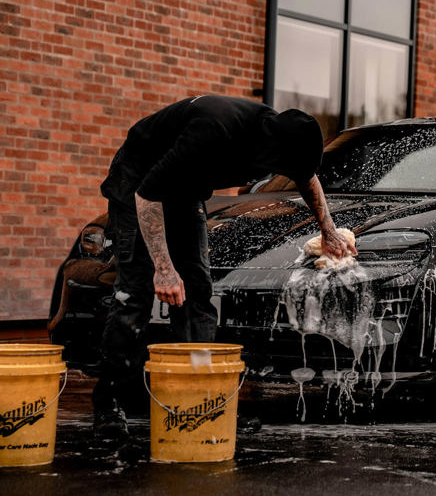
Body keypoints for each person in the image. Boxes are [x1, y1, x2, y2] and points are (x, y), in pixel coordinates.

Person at [94, 95, 356, 439]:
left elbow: (307, 179)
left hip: (184, 190)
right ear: (271, 149)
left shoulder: (285, 136)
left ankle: (203, 399)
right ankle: (110, 401)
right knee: (136, 293)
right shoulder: (215, 130)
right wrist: (163, 267)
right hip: (138, 183)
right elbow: (148, 196)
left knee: (198, 292)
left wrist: (329, 230)